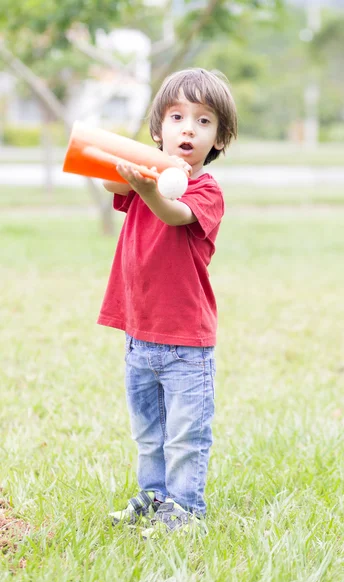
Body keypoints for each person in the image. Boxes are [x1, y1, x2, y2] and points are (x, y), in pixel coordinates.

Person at [99, 67, 237, 537]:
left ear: (217, 141)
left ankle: (185, 510)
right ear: (158, 130)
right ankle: (153, 496)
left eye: (204, 122)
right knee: (148, 434)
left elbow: (173, 214)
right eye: (177, 116)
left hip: (186, 343)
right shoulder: (149, 177)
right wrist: (133, 169)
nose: (188, 129)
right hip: (139, 336)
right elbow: (111, 186)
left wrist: (148, 187)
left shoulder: (204, 190)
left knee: (185, 436)